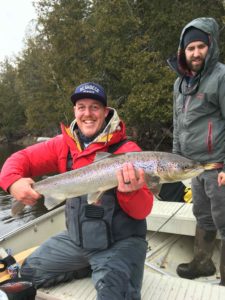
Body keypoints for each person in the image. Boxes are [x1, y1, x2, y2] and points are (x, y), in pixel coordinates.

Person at [0, 82, 153, 299]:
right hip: (76, 241)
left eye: (94, 107)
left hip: (120, 243)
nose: (87, 114)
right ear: (75, 111)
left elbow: (142, 211)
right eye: (81, 107)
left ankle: (103, 267)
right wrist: (12, 182)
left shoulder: (129, 153)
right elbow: (20, 158)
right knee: (25, 276)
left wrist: (131, 191)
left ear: (106, 112)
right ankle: (88, 266)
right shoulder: (63, 145)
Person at [167, 17, 225, 285]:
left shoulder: (221, 77)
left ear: (210, 46)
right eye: (190, 48)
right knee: (202, 214)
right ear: (183, 50)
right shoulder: (180, 84)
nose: (196, 53)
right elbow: (179, 125)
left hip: (218, 165)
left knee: (223, 218)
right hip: (191, 164)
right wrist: (175, 159)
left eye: (201, 46)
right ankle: (202, 263)